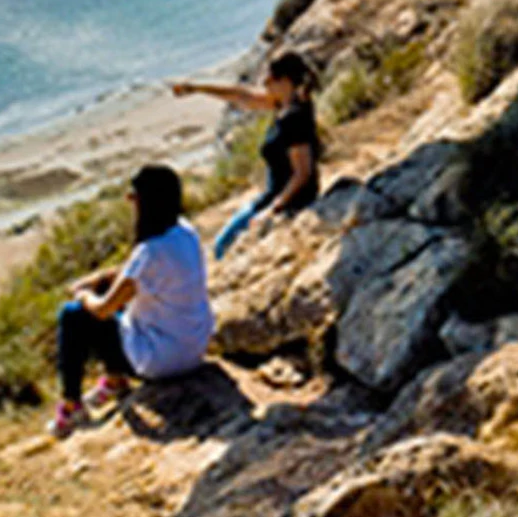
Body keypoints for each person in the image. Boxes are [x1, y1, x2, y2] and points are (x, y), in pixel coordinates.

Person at [52, 163, 214, 437]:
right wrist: (100, 279)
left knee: (74, 315)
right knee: (126, 309)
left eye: (135, 196)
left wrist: (84, 294)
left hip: (163, 362)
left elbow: (103, 310)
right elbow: (132, 273)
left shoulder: (150, 252)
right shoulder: (185, 232)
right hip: (194, 347)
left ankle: (71, 407)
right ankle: (114, 380)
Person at [172, 51, 322, 260]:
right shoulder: (282, 105)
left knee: (222, 246)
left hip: (289, 200)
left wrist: (273, 209)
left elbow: (302, 173)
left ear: (285, 81)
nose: (264, 82)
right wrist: (197, 88)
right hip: (272, 195)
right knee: (222, 243)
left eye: (270, 77)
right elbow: (241, 95)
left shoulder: (294, 117)